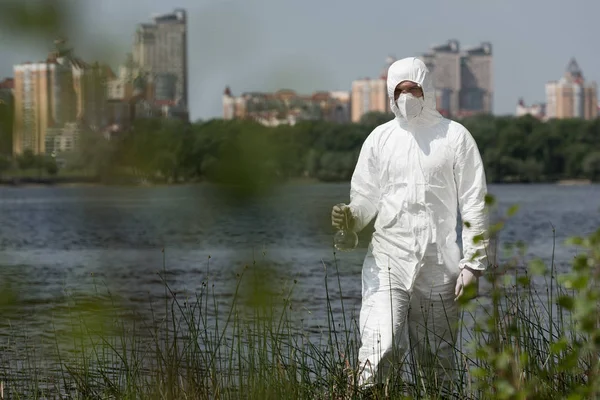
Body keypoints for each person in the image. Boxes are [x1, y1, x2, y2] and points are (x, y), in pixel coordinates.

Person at [331, 57, 489, 394]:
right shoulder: (380, 139)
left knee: (438, 360)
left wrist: (474, 264)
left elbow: (474, 201)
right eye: (399, 91)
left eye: (413, 89)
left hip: (440, 264)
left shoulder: (455, 137)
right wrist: (351, 219)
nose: (406, 97)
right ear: (390, 94)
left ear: (426, 90)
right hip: (388, 260)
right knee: (379, 344)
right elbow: (365, 198)